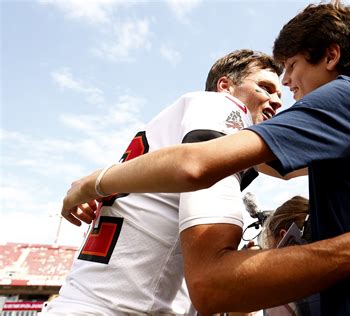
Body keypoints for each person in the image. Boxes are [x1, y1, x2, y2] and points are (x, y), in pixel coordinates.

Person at [60, 1, 350, 315]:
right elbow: (261, 165)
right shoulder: (341, 111)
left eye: (291, 67)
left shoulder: (341, 96)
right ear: (227, 86)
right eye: (270, 82)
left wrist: (94, 181)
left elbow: (197, 164)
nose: (285, 87)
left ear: (331, 56)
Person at [43, 49, 284, 314]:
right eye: (265, 88)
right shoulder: (222, 105)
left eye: (279, 94)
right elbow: (201, 166)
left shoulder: (172, 130)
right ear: (225, 86)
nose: (276, 101)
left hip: (89, 300)